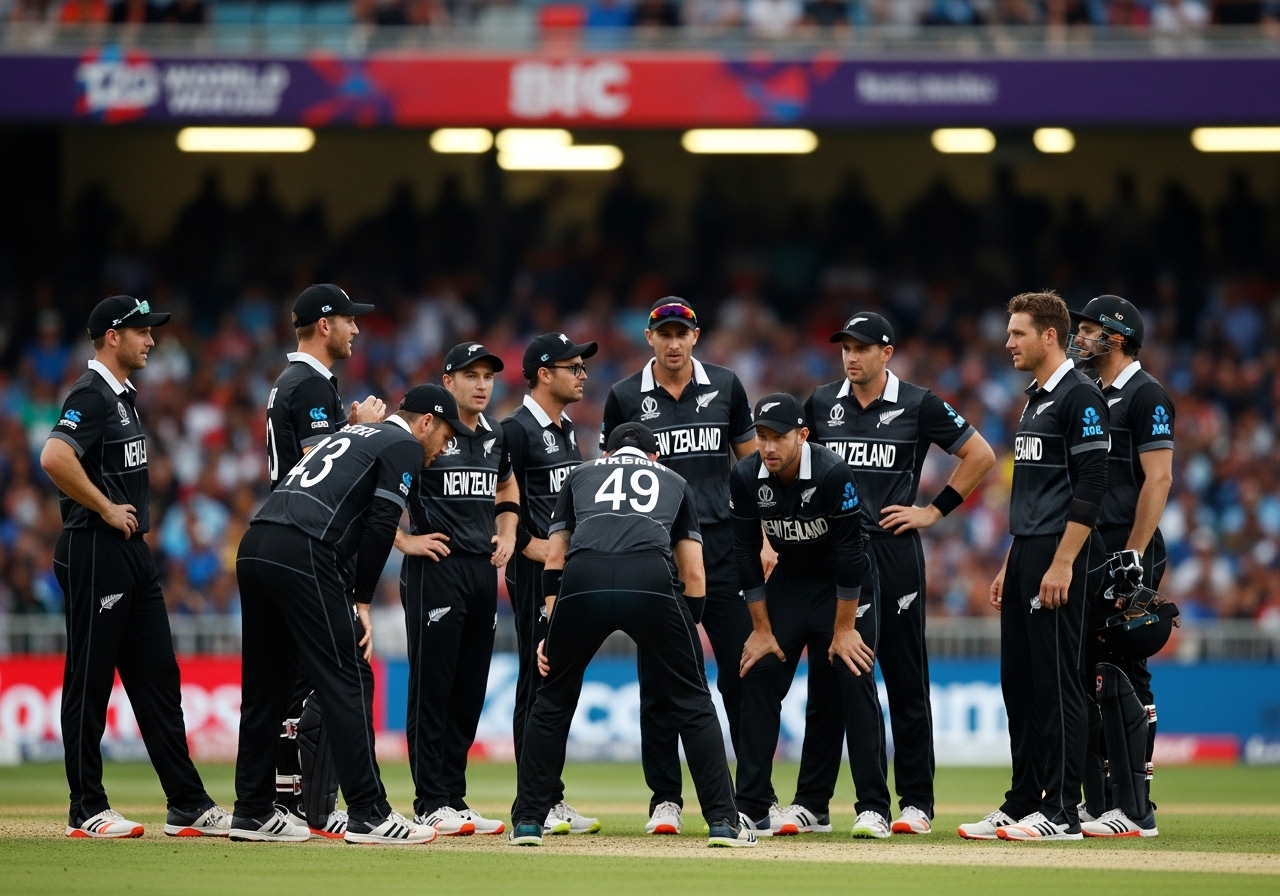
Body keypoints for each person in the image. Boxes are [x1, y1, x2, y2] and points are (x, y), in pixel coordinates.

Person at [232, 384, 468, 844]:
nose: (445, 448)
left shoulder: (358, 435)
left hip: (257, 543)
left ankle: (252, 811)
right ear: (424, 422)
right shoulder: (400, 444)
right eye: (445, 435)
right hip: (304, 549)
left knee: (265, 688)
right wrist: (361, 599)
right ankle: (369, 812)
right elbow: (382, 523)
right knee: (351, 677)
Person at [509, 423, 755, 849]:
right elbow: (694, 572)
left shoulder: (581, 475)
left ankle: (529, 822)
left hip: (583, 578)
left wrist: (552, 626)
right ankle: (722, 822)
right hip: (649, 578)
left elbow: (554, 557)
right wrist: (686, 626)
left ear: (607, 456)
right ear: (654, 458)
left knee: (551, 700)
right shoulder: (674, 481)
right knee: (694, 702)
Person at [41, 295, 230, 839]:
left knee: (158, 680)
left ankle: (187, 803)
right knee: (90, 679)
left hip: (130, 553)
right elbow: (54, 456)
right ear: (112, 337)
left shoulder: (122, 397)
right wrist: (102, 506)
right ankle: (87, 807)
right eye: (142, 331)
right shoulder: (91, 393)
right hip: (95, 548)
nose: (152, 339)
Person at [804, 312, 996, 835]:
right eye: (845, 346)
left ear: (887, 352)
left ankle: (915, 803)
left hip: (893, 554)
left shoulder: (918, 403)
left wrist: (934, 511)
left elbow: (980, 454)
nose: (851, 356)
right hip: (836, 555)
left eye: (862, 347)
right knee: (829, 677)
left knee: (905, 679)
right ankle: (813, 803)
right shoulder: (821, 403)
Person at [600, 296, 760, 835]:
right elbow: (609, 480)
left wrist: (763, 537)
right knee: (659, 680)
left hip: (719, 549)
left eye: (682, 334)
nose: (673, 343)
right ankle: (665, 798)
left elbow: (752, 466)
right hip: (655, 554)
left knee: (745, 674)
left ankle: (751, 798)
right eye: (664, 333)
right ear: (649, 337)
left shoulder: (728, 387)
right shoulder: (624, 396)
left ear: (696, 337)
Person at [959, 291, 1109, 842]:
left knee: (1058, 682)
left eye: (1018, 332)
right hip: (1028, 549)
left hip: (1059, 552)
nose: (1008, 342)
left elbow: (1093, 484)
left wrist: (1063, 562)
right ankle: (1024, 800)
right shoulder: (1035, 399)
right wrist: (1011, 559)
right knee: (1018, 684)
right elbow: (1034, 490)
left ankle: (1065, 811)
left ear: (1050, 335)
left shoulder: (1080, 397)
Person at [730, 393, 892, 840]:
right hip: (792, 582)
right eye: (761, 437)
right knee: (759, 673)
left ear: (802, 435)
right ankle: (752, 806)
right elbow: (744, 553)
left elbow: (850, 555)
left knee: (852, 676)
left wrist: (843, 631)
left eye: (778, 438)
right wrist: (761, 630)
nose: (768, 448)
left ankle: (873, 807)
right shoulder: (745, 476)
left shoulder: (831, 472)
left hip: (845, 585)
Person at [265, 283, 384, 839]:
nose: (356, 329)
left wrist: (346, 425)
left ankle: (283, 800)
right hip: (311, 544)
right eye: (349, 320)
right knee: (343, 676)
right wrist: (364, 431)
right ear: (323, 324)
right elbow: (323, 468)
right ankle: (321, 804)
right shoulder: (310, 383)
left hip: (288, 538)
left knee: (292, 684)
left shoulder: (298, 383)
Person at [395, 342, 519, 836]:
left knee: (469, 690)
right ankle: (429, 801)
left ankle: (454, 796)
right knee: (433, 686)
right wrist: (405, 541)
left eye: (488, 375)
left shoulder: (497, 436)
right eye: (471, 375)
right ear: (448, 382)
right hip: (436, 568)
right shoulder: (423, 433)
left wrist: (507, 532)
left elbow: (507, 489)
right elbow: (372, 492)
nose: (482, 384)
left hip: (480, 572)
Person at [1069, 296, 1175, 838]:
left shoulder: (1144, 393)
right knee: (1091, 673)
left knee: (1125, 669)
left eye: (1088, 330)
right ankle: (1103, 800)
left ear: (1117, 338)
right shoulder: (1087, 394)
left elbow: (1158, 479)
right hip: (1091, 549)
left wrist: (1132, 555)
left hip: (1126, 551)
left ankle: (1137, 806)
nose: (1078, 338)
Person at [501, 333, 601, 835]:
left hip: (566, 575)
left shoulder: (566, 432)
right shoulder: (514, 431)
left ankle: (549, 796)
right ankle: (534, 801)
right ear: (544, 373)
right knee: (535, 682)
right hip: (535, 576)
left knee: (556, 682)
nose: (582, 374)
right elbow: (499, 504)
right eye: (573, 366)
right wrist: (530, 548)